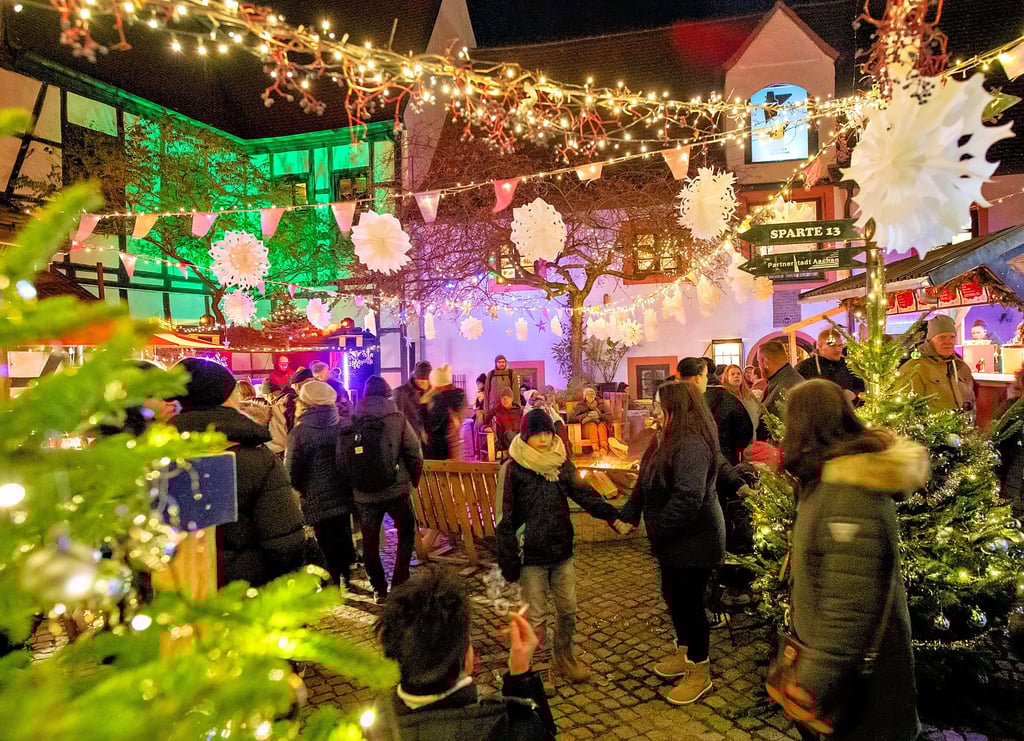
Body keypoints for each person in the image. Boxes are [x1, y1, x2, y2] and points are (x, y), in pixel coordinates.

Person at [782, 380, 926, 741]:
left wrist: (812, 681)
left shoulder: (848, 491)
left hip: (859, 684)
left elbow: (851, 602)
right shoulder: (830, 474)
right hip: (846, 676)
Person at [496, 409, 625, 683]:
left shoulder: (561, 463)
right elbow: (504, 516)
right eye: (536, 434)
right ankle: (534, 667)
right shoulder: (513, 468)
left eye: (547, 433)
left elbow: (583, 494)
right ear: (525, 436)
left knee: (568, 609)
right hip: (530, 554)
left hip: (561, 547)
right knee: (536, 616)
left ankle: (565, 657)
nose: (543, 440)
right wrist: (507, 558)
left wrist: (612, 516)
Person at [617, 381, 725, 705]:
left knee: (690, 605)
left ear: (677, 408)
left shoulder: (690, 444)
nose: (655, 411)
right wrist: (629, 514)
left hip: (695, 539)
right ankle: (684, 652)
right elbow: (643, 481)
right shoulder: (664, 437)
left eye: (659, 405)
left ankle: (699, 671)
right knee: (673, 598)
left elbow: (689, 497)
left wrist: (658, 530)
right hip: (673, 541)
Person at [372, 566, 555, 741]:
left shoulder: (374, 728)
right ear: (467, 658)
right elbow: (541, 733)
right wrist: (521, 676)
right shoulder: (500, 728)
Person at [172, 358, 306, 587]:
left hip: (176, 591)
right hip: (244, 593)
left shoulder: (154, 452)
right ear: (225, 396)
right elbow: (284, 542)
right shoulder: (255, 458)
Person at [339, 376, 423, 603]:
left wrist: (353, 486)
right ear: (387, 394)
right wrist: (412, 482)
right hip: (397, 490)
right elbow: (414, 453)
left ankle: (378, 588)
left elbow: (341, 459)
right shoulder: (398, 419)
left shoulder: (352, 420)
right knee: (406, 532)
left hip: (364, 495)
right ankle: (399, 581)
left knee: (370, 541)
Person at [286, 380, 354, 587]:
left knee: (324, 539)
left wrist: (298, 488)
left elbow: (291, 469)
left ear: (305, 403)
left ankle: (329, 581)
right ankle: (345, 573)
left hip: (315, 496)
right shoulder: (343, 424)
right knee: (343, 533)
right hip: (344, 491)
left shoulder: (300, 432)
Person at [898, 315, 976, 414]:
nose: (948, 342)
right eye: (942, 337)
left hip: (964, 428)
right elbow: (906, 410)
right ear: (930, 340)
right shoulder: (914, 368)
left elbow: (972, 403)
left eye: (952, 337)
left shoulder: (961, 367)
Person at [687, 359, 753, 465]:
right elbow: (745, 432)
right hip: (727, 458)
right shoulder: (731, 399)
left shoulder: (690, 401)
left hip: (697, 459)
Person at [795, 328, 865, 397]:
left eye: (840, 345)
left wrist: (853, 394)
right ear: (820, 346)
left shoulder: (849, 366)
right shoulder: (805, 368)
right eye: (832, 345)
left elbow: (862, 388)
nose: (837, 349)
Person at [756, 340, 803, 441]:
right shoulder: (786, 379)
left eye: (759, 362)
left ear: (765, 362)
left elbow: (784, 430)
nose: (759, 367)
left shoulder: (786, 387)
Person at [422, 364, 468, 460]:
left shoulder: (440, 401)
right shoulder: (458, 397)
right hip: (454, 450)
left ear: (439, 385)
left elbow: (432, 427)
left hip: (441, 451)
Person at [268, 368, 313, 455]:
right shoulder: (291, 400)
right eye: (307, 382)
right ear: (297, 385)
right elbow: (293, 427)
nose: (311, 386)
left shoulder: (290, 397)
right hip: (289, 449)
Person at [567, 387, 612, 456]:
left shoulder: (601, 404)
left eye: (592, 393)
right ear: (584, 396)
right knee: (592, 426)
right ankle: (595, 449)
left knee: (601, 426)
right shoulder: (580, 406)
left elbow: (609, 416)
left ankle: (603, 448)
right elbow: (571, 419)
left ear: (595, 395)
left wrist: (599, 415)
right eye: (588, 394)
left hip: (600, 425)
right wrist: (586, 416)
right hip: (587, 428)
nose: (590, 395)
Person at [394, 361, 431, 441]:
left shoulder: (434, 393)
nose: (424, 382)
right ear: (414, 377)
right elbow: (396, 420)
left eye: (426, 379)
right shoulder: (401, 393)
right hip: (410, 440)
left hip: (430, 442)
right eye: (420, 379)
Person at [311, 360, 352, 425]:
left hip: (337, 419)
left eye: (322, 375)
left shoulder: (336, 385)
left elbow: (346, 403)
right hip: (327, 420)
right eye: (317, 377)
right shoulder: (315, 387)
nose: (320, 378)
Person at [721, 363, 759, 429]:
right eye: (732, 374)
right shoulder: (724, 395)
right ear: (727, 377)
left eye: (738, 374)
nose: (736, 376)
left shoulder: (749, 395)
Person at [485, 387, 523, 452]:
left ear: (512, 399)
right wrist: (486, 427)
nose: (505, 400)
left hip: (518, 437)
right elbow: (484, 423)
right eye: (503, 398)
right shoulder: (496, 410)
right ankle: (523, 450)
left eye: (508, 397)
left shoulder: (519, 411)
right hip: (503, 440)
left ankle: (522, 450)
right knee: (509, 433)